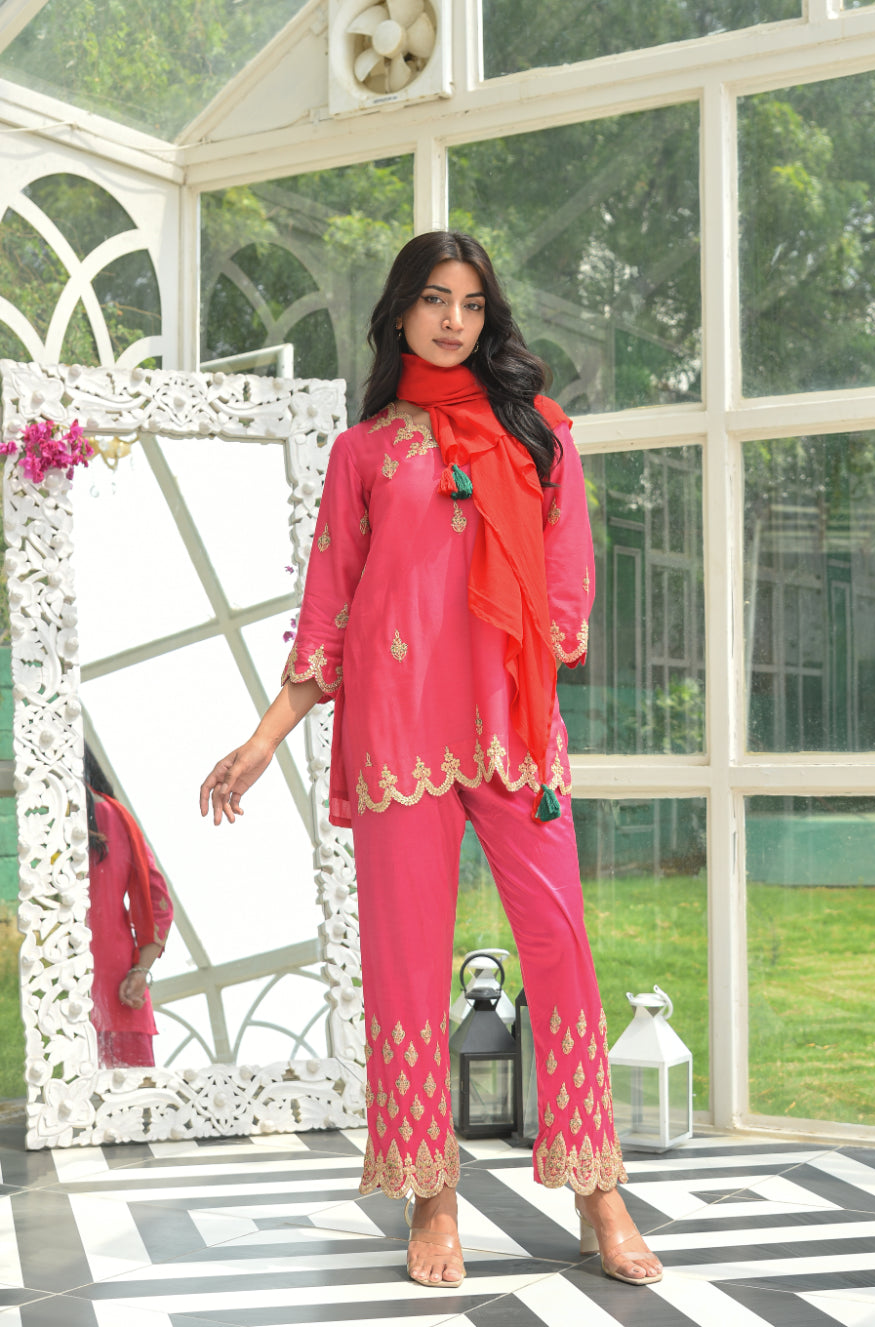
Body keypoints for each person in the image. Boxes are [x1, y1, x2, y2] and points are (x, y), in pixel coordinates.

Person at [200, 231, 663, 1290]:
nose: (453, 320)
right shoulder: (363, 452)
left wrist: (530, 670)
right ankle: (429, 1193)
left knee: (560, 948)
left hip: (512, 730)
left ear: (487, 316)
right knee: (406, 964)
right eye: (433, 299)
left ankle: (598, 1187)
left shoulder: (539, 432)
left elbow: (566, 580)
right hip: (398, 730)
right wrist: (265, 737)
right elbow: (330, 608)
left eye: (471, 302)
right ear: (400, 312)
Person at [85, 744, 174, 1068]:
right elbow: (160, 906)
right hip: (121, 990)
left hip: (55, 991)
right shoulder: (118, 816)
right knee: (137, 1098)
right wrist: (140, 972)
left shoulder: (40, 818)